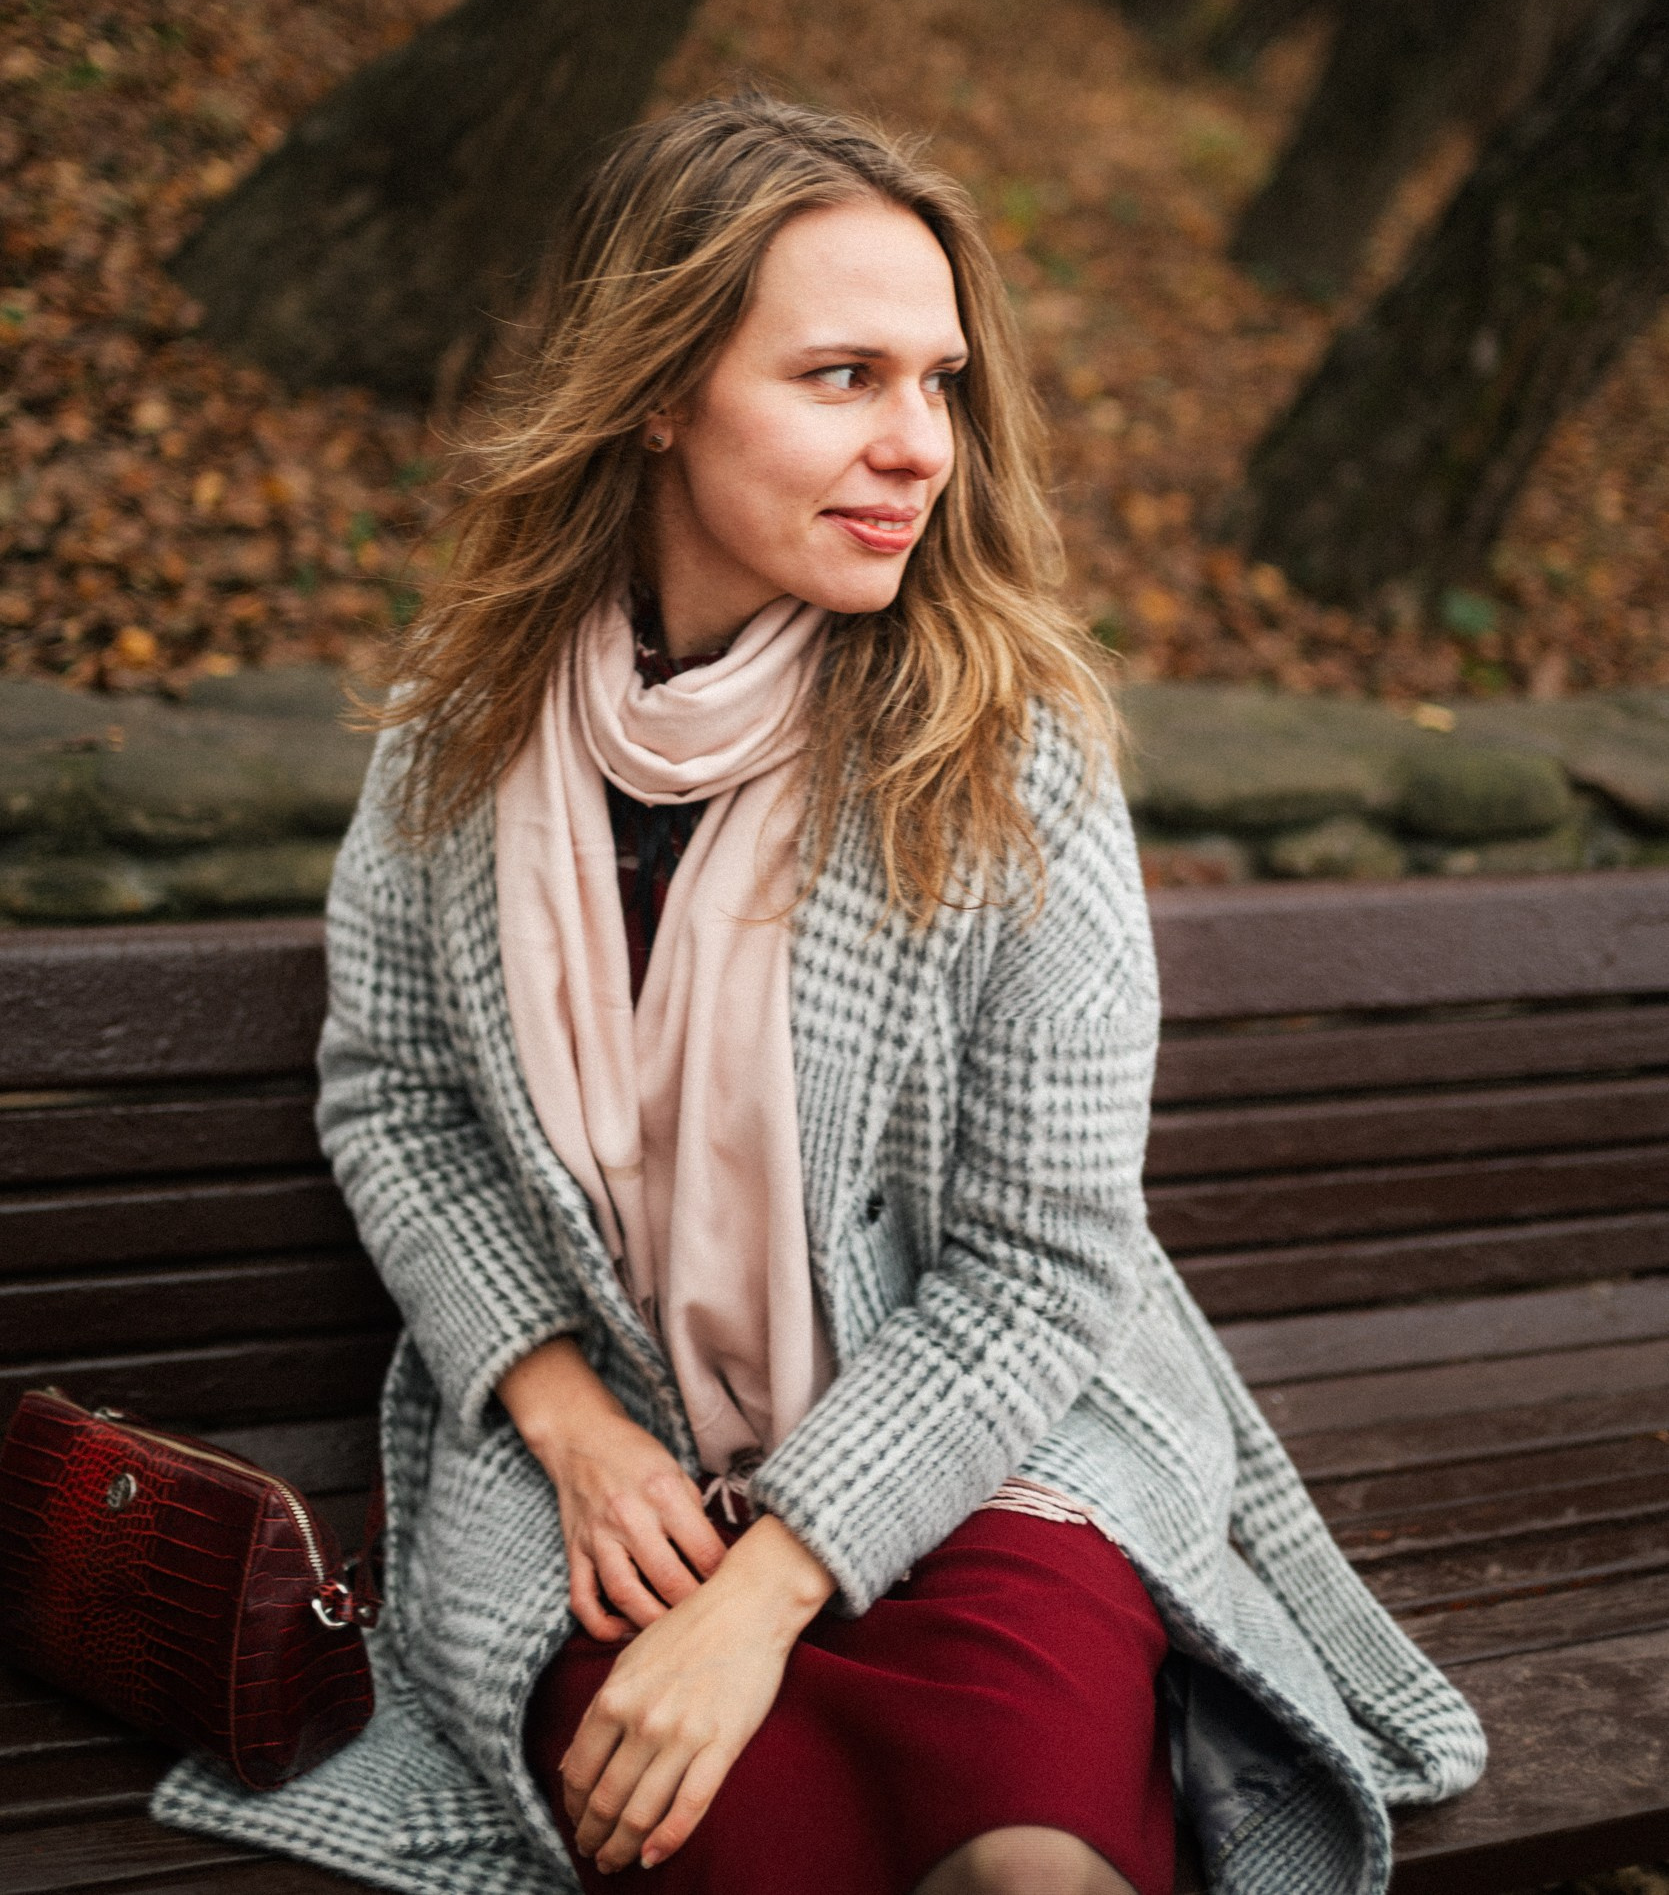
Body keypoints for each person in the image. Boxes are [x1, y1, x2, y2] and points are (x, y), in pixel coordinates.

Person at [155, 95, 1486, 1895]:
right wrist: (569, 1425)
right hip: (615, 1496)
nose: (918, 445)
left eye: (937, 382)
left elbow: (1044, 1262)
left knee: (1028, 1870)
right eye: (841, 376)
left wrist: (773, 1584)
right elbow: (395, 1096)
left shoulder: (1003, 753)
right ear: (657, 388)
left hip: (984, 1460)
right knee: (723, 1844)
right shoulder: (465, 736)